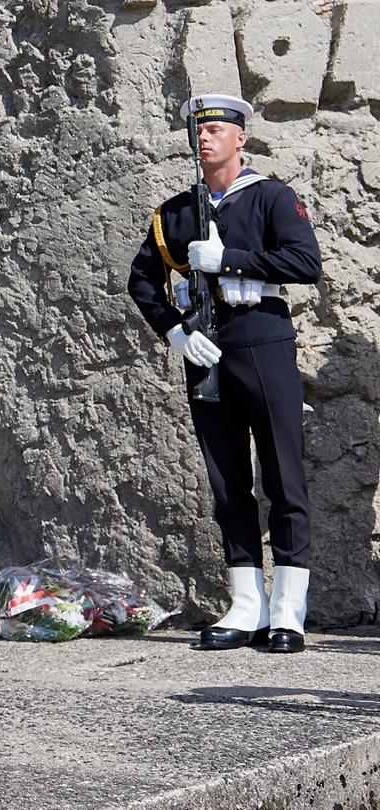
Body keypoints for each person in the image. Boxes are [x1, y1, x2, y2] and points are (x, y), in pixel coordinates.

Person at [127, 93, 323, 653]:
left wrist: (230, 260)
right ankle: (246, 606)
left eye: (217, 129)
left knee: (284, 476)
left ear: (241, 138)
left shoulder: (271, 198)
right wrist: (176, 333)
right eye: (199, 130)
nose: (205, 138)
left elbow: (305, 263)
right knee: (227, 481)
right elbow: (142, 281)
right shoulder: (175, 212)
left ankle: (288, 612)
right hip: (207, 349)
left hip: (262, 340)